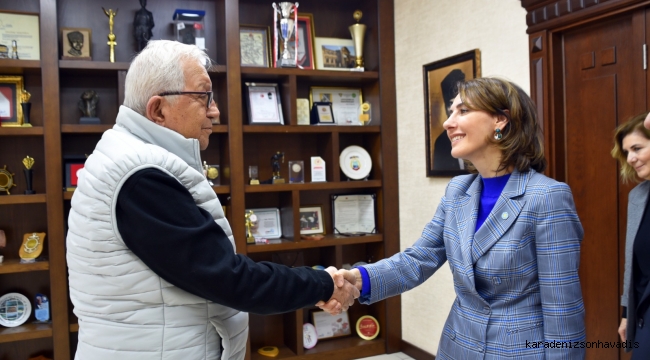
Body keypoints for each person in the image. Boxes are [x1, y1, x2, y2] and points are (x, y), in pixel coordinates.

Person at [66, 40, 357, 360]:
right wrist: (323, 284)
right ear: (158, 110)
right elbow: (229, 278)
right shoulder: (141, 178)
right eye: (203, 97)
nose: (215, 111)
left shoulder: (128, 156)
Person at [326, 77, 587, 358]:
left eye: (462, 111)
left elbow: (562, 308)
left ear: (500, 121)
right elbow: (419, 259)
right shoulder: (457, 191)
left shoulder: (547, 197)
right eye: (451, 112)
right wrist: (357, 278)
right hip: (457, 346)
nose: (448, 123)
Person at [613, 113, 650, 358]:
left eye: (637, 148)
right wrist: (627, 314)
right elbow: (633, 264)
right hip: (645, 311)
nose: (631, 158)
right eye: (627, 152)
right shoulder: (637, 196)